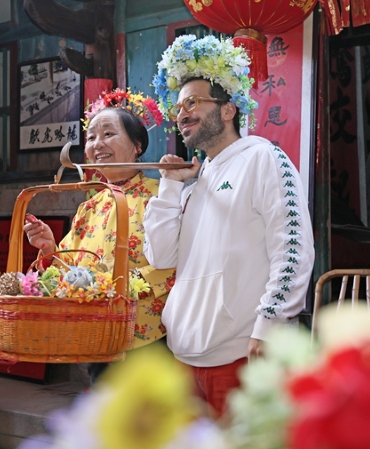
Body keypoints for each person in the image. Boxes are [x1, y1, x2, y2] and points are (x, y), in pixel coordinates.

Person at [144, 35, 314, 417]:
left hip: (242, 351)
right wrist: (170, 185)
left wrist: (269, 323)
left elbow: (293, 247)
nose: (182, 114)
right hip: (183, 354)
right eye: (178, 107)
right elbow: (160, 254)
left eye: (193, 102)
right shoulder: (194, 180)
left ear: (227, 110)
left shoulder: (263, 158)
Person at [24, 89, 175, 382]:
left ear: (137, 145)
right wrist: (48, 248)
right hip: (97, 337)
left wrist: (118, 289)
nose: (97, 144)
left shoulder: (161, 196)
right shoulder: (89, 207)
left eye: (108, 134)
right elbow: (71, 270)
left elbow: (178, 262)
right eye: (91, 138)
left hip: (148, 335)